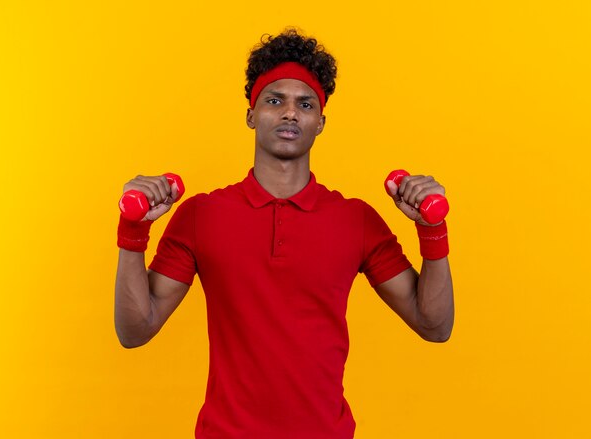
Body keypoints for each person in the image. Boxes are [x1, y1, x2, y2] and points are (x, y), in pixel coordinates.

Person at [115, 28, 454, 439]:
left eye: (304, 104)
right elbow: (134, 330)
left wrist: (431, 230)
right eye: (275, 101)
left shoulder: (355, 220)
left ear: (320, 122)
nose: (290, 113)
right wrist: (133, 231)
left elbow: (434, 325)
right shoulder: (202, 216)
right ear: (251, 115)